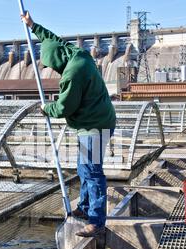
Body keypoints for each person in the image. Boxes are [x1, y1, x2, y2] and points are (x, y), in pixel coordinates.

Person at [21, 12, 116, 237]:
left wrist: (46, 108)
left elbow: (65, 108)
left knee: (92, 172)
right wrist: (33, 25)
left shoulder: (72, 74)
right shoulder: (78, 54)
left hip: (95, 127)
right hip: (96, 122)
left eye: (54, 67)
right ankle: (84, 208)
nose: (56, 71)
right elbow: (54, 40)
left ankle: (96, 220)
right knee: (83, 168)